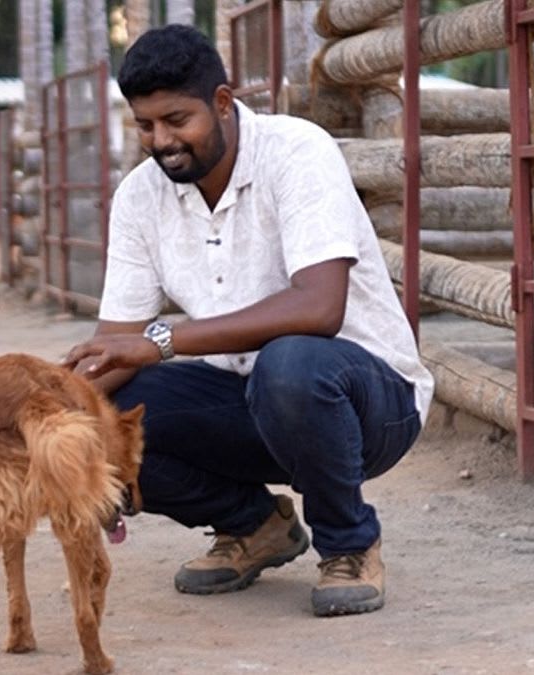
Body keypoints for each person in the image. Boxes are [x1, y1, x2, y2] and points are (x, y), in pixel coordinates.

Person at [62, 25, 433, 617]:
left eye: (177, 120)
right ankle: (255, 525)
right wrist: (63, 433)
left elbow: (319, 307)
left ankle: (350, 545)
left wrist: (162, 340)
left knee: (290, 362)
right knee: (105, 416)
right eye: (145, 125)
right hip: (246, 404)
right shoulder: (139, 197)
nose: (162, 141)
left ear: (223, 103)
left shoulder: (296, 152)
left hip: (364, 403)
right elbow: (114, 349)